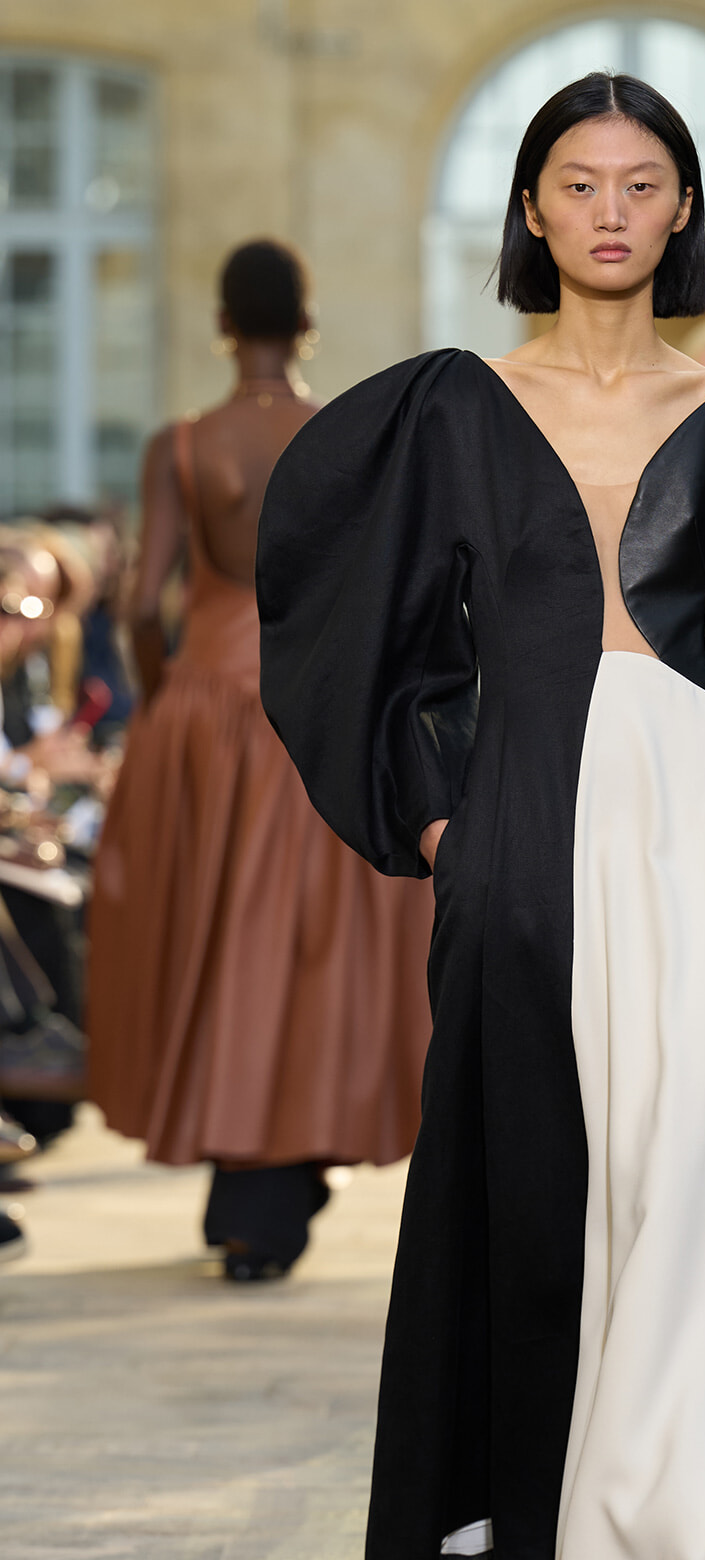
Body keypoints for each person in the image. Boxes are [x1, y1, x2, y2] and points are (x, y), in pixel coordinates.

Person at [258, 77, 705, 1560]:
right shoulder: (454, 405)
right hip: (527, 834)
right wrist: (431, 818)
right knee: (566, 1186)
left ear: (683, 210)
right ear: (534, 211)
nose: (613, 210)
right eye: (580, 182)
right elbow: (355, 628)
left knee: (697, 1191)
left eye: (645, 182)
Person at [88, 240, 434, 1281]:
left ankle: (249, 1181)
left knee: (206, 936)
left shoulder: (184, 445)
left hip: (201, 705)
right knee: (311, 945)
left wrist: (166, 693)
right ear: (308, 318)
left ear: (224, 323)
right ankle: (280, 1175)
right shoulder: (344, 437)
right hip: (314, 703)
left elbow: (143, 598)